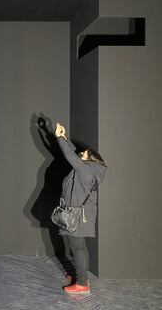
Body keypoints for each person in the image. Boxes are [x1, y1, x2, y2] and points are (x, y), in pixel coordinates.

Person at [55, 122, 107, 295]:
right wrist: (63, 137)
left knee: (76, 247)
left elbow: (71, 157)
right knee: (80, 246)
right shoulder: (89, 169)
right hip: (81, 214)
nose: (81, 153)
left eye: (83, 153)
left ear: (89, 158)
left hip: (78, 215)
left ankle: (83, 284)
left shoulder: (86, 170)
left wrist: (59, 138)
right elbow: (73, 155)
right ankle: (81, 275)